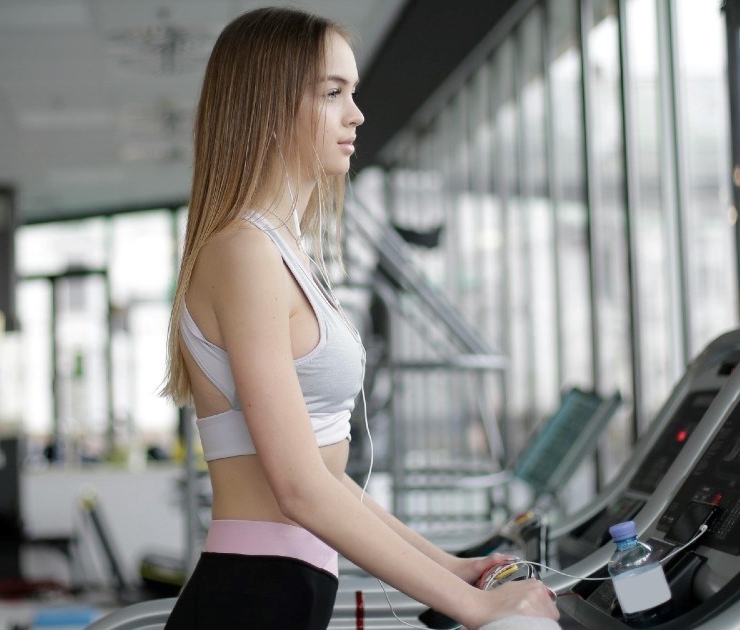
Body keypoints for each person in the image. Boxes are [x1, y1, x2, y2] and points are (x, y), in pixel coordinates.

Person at [160, 7, 561, 629]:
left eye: (353, 92)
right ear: (270, 106)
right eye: (333, 92)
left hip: (285, 588)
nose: (357, 114)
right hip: (252, 597)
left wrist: (451, 569)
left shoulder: (278, 249)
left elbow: (327, 478)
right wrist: (476, 608)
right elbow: (299, 489)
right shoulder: (244, 250)